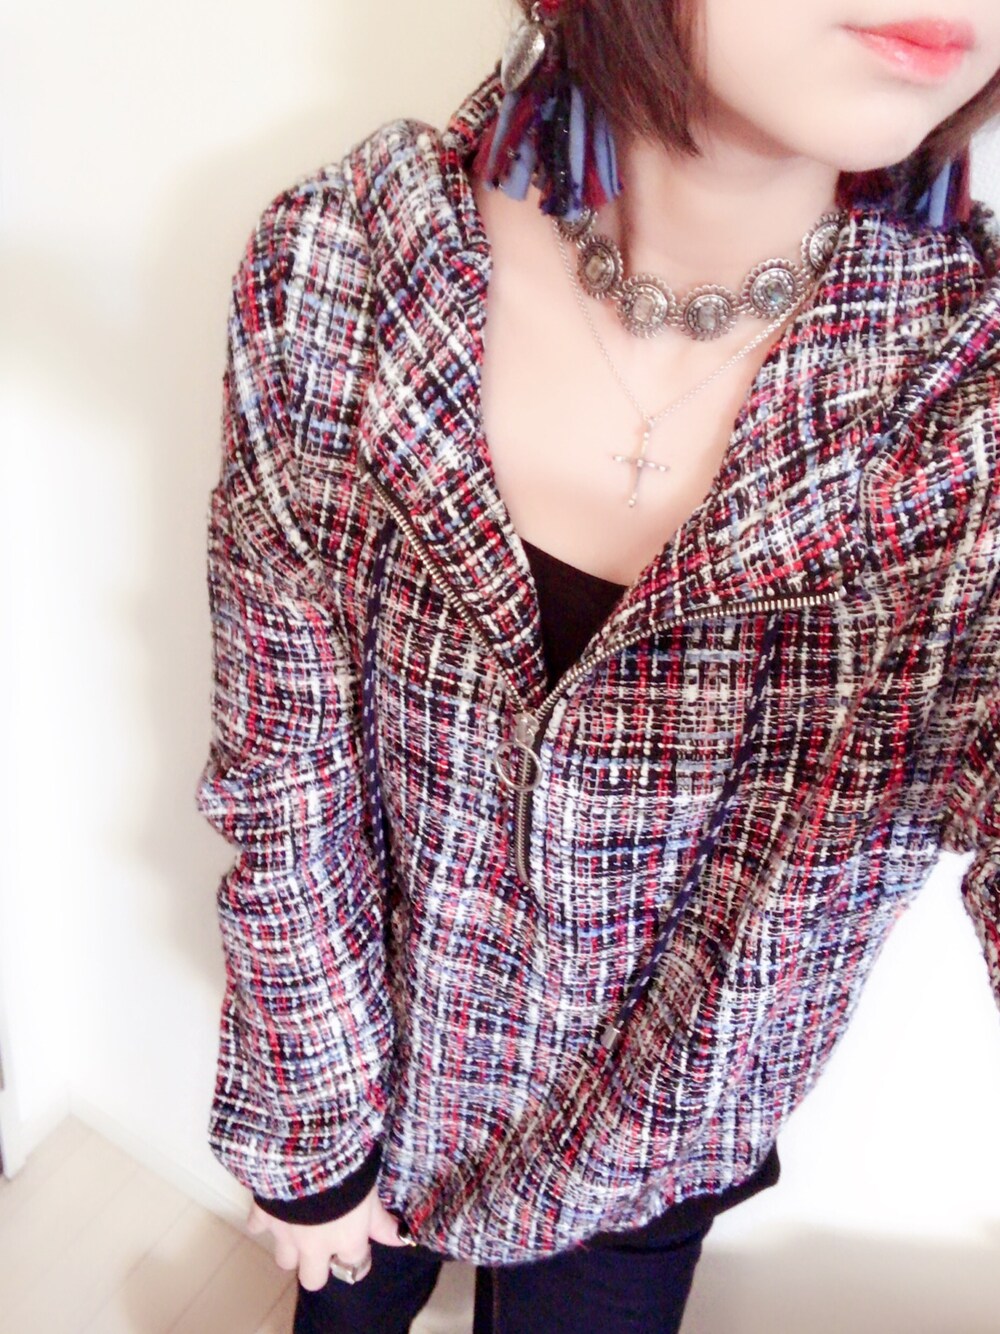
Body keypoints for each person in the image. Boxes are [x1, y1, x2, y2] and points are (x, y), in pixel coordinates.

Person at [194, 2, 1000, 1330]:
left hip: (651, 1157)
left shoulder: (966, 423)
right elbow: (286, 771)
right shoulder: (345, 266)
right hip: (369, 1094)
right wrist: (310, 1139)